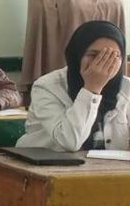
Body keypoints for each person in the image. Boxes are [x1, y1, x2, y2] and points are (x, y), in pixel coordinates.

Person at [18, 20, 128, 151]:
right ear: (77, 55)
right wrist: (92, 89)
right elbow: (69, 142)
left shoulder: (127, 88)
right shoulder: (46, 87)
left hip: (105, 164)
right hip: (48, 162)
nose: (101, 63)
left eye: (113, 56)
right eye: (93, 55)